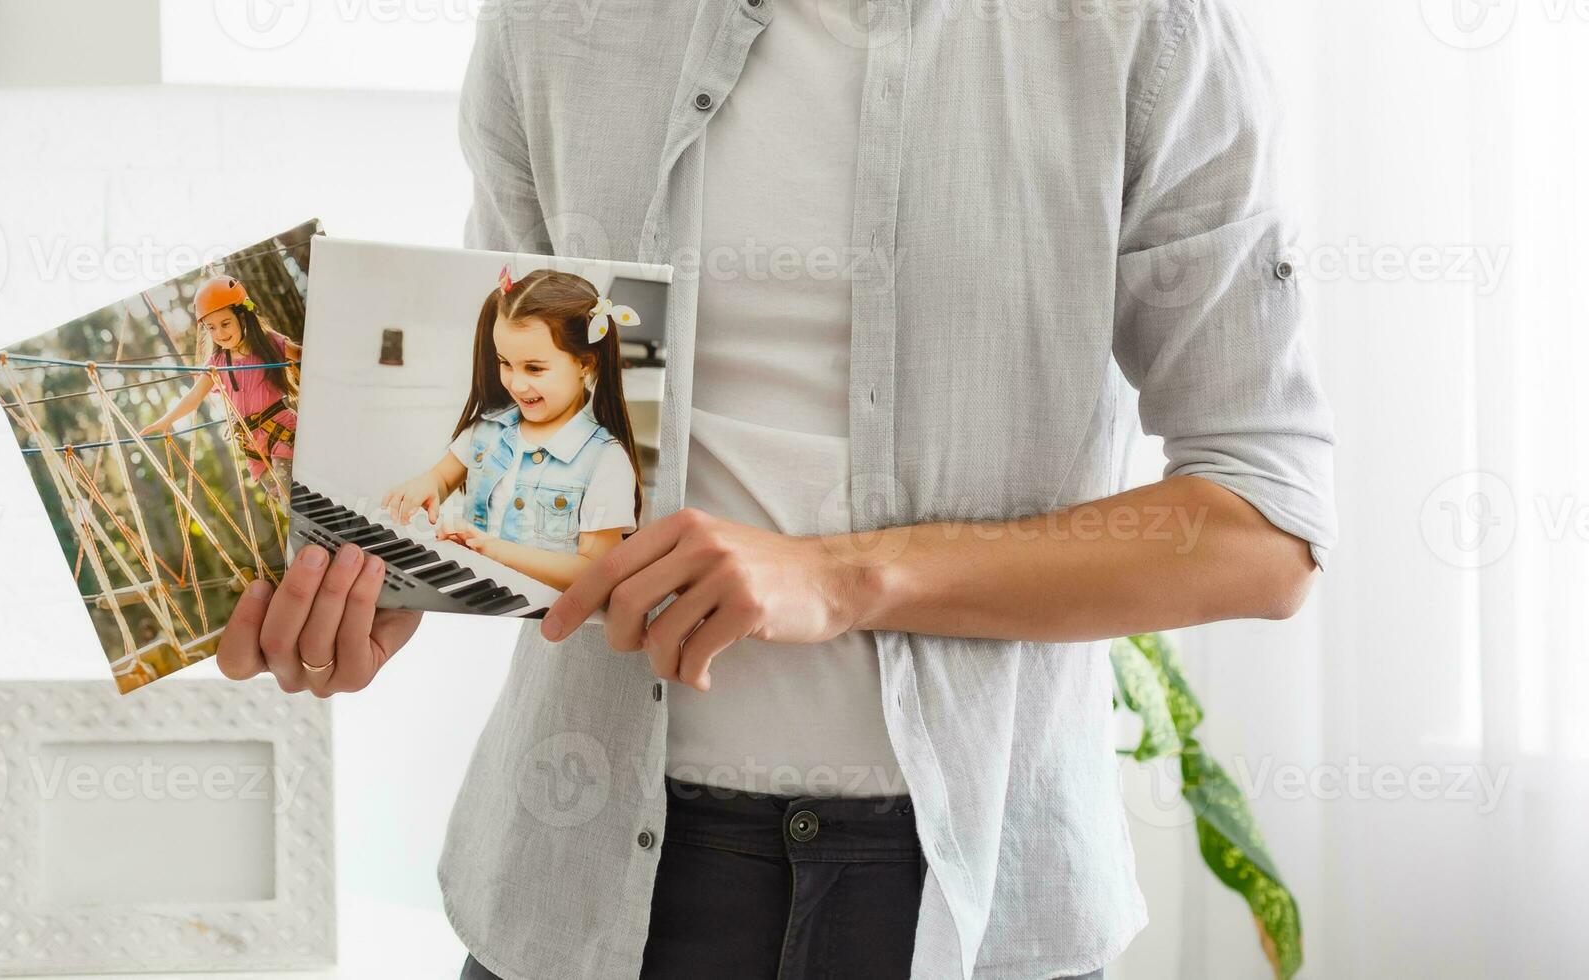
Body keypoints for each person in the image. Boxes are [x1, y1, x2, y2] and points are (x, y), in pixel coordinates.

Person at [215, 0, 1332, 977]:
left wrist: (839, 577)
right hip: (584, 887)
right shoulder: (547, 19)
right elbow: (511, 413)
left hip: (966, 895)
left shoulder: (1141, 29)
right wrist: (387, 585)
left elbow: (1260, 524)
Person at [380, 267, 643, 591]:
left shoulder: (605, 461)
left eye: (534, 368)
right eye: (506, 363)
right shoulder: (488, 428)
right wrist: (425, 485)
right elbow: (442, 477)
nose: (516, 384)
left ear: (585, 363)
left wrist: (491, 549)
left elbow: (596, 572)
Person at [142, 275, 302, 500]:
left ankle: (321, 527)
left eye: (225, 324)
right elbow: (194, 396)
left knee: (293, 499)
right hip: (254, 447)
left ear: (243, 316)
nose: (220, 334)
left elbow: (304, 355)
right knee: (284, 500)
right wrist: (166, 420)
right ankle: (316, 532)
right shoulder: (217, 364)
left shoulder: (268, 343)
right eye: (211, 328)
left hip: (282, 432)